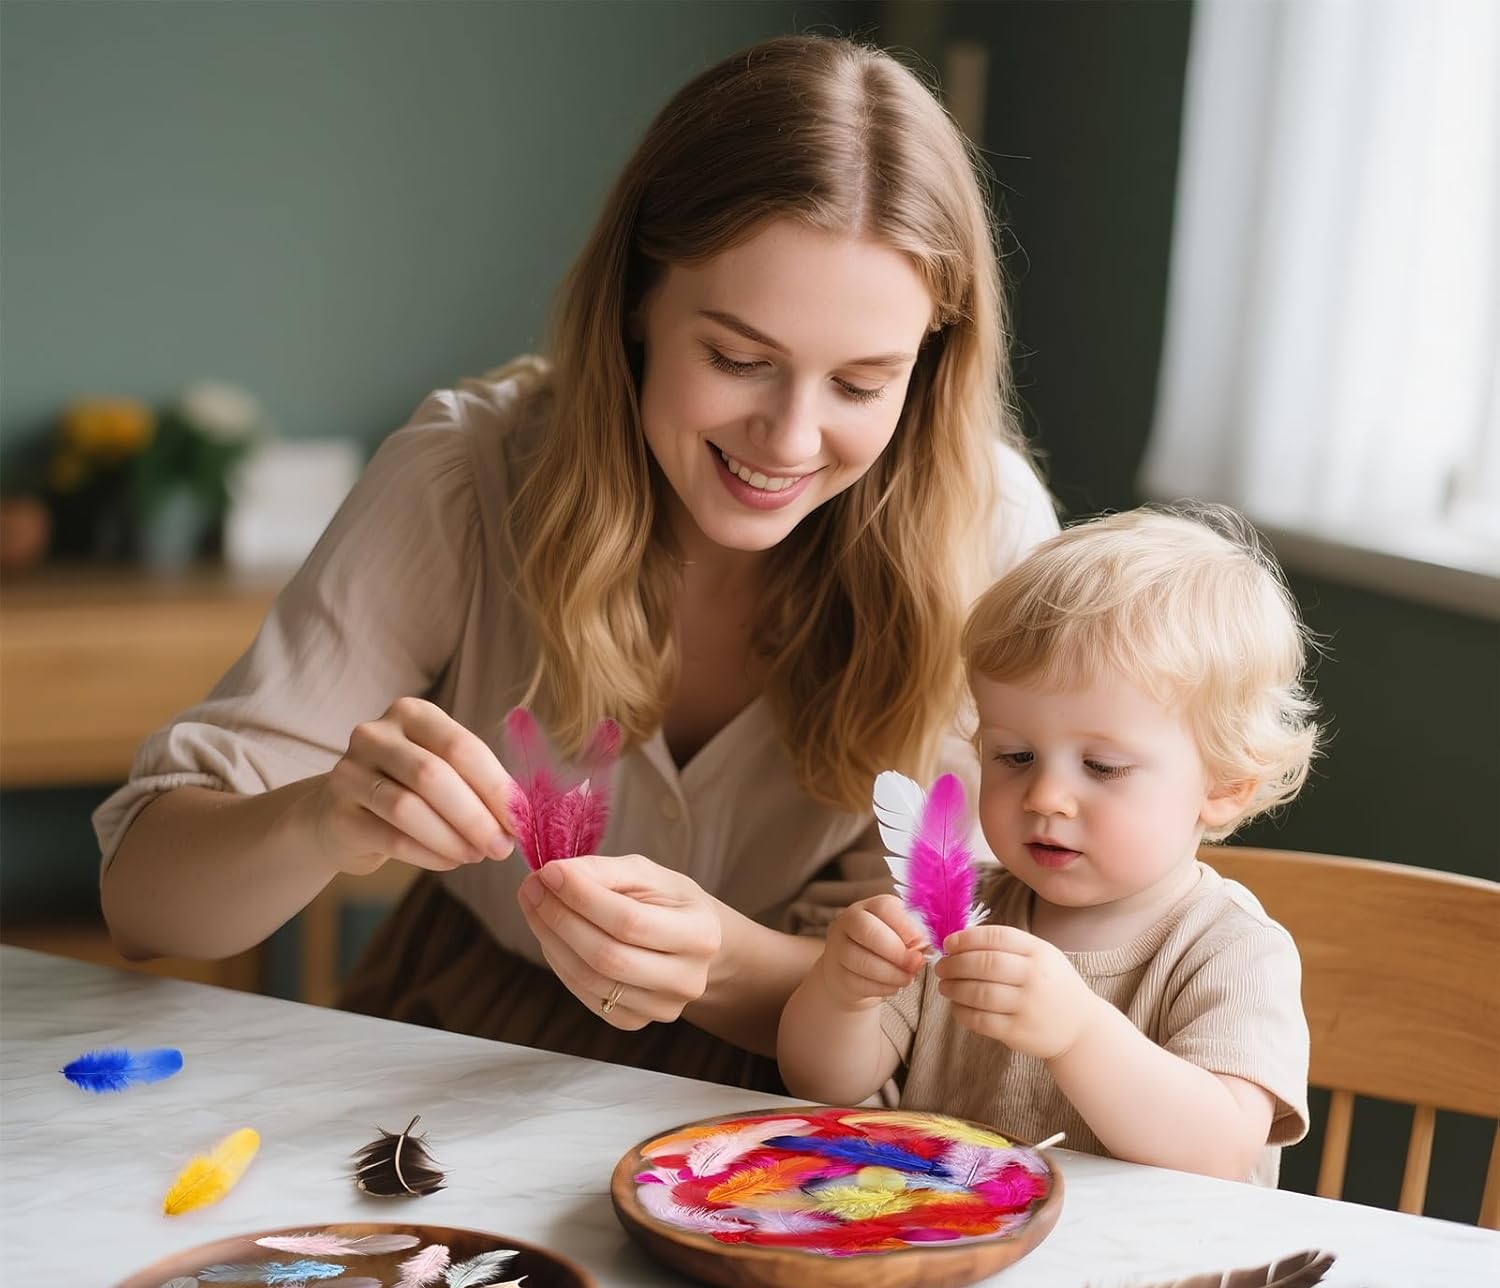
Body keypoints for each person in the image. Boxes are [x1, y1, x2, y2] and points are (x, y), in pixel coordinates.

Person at [93, 35, 1058, 1092]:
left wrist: (722, 965)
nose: (788, 439)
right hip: (458, 1049)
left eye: (863, 385)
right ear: (637, 304)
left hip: (797, 1101)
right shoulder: (463, 480)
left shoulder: (992, 537)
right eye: (738, 359)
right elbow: (145, 905)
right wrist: (321, 813)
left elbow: (949, 992)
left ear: (930, 366)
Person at [778, 505, 1320, 1184]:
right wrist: (841, 993)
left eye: (1101, 768)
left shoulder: (1232, 950)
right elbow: (821, 1082)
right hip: (956, 1252)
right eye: (1015, 755)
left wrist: (1078, 1033)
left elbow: (1220, 1149)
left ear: (1226, 785)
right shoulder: (955, 911)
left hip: (1154, 1277)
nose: (1045, 797)